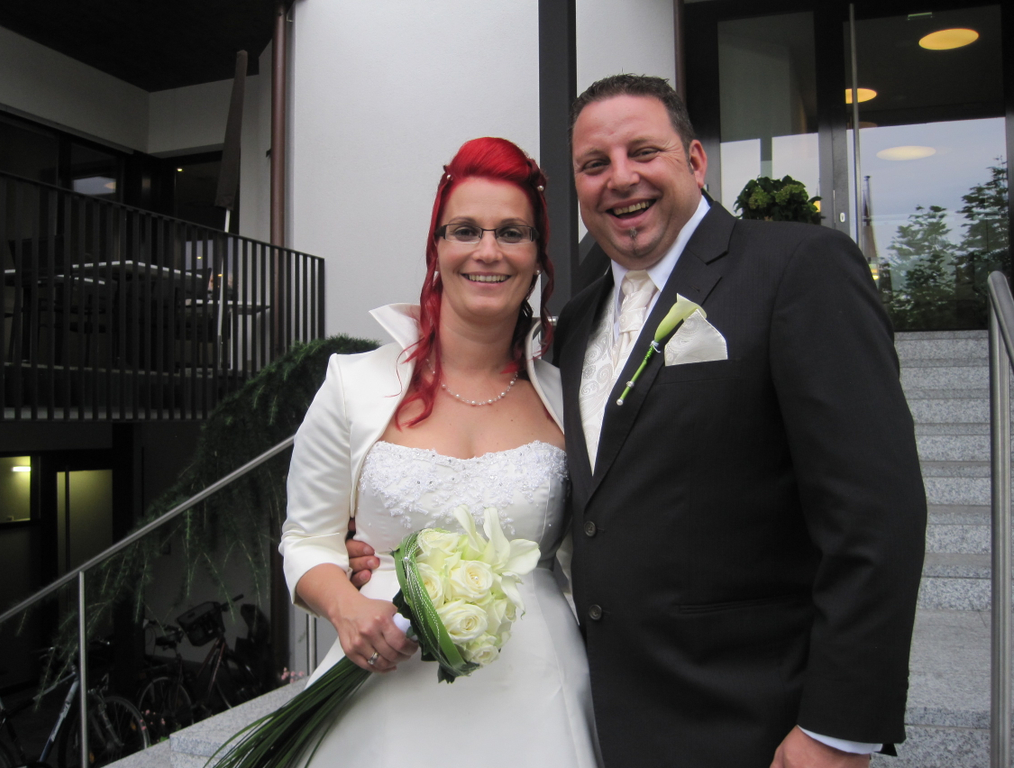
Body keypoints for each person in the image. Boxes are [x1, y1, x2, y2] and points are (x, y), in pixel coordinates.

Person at [345, 75, 927, 768]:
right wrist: (394, 547)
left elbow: (876, 516)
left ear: (695, 160)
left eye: (643, 152)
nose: (620, 178)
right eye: (594, 164)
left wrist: (836, 730)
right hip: (602, 715)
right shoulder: (574, 325)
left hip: (752, 721)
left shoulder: (798, 269)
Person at [281, 137, 600, 767]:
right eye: (466, 230)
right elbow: (306, 538)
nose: (488, 251)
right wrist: (346, 606)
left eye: (512, 233)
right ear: (437, 248)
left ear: (537, 256)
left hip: (537, 701)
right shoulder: (354, 385)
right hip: (384, 694)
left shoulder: (570, 401)